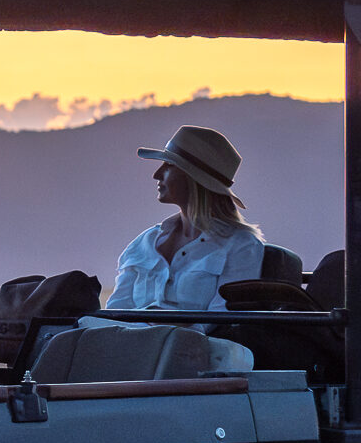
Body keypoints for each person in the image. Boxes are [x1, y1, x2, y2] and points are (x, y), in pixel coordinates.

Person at [106, 125, 264, 312]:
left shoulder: (241, 246)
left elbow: (224, 321)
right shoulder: (143, 243)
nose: (156, 174)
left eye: (169, 166)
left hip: (189, 341)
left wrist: (167, 324)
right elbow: (114, 312)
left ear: (193, 179)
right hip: (131, 339)